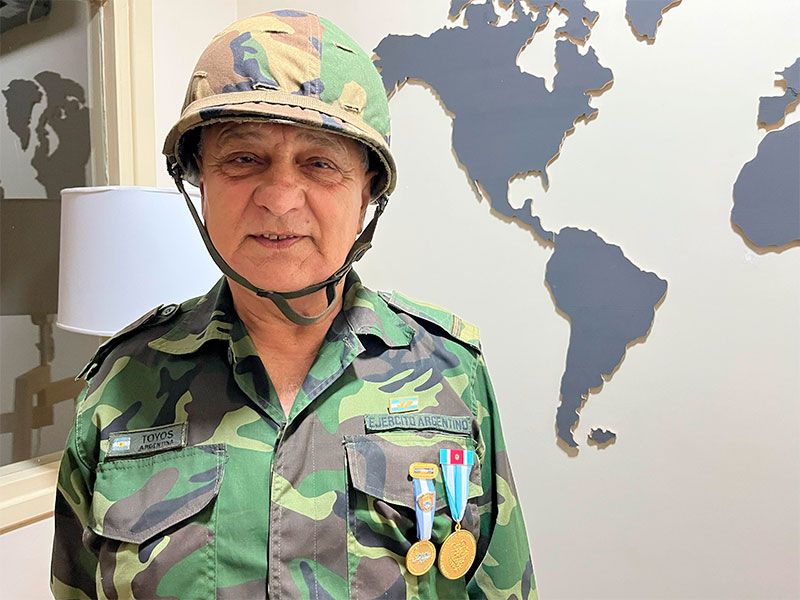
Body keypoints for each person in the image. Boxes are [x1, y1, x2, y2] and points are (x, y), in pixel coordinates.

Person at [51, 10, 537, 599]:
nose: (280, 199)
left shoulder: (450, 370)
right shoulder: (119, 382)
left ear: (367, 194)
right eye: (243, 159)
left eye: (320, 163)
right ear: (199, 179)